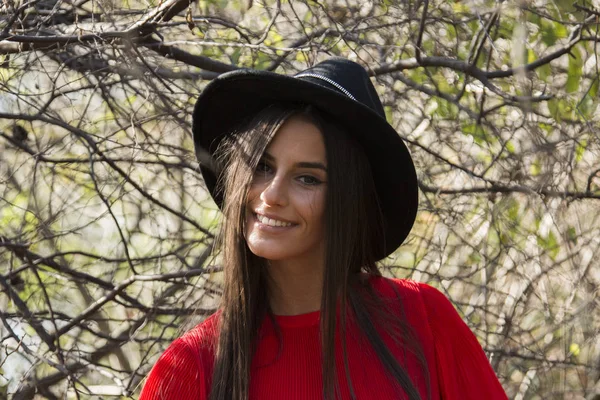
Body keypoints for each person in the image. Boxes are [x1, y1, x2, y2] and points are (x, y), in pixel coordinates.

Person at [139, 58, 508, 400]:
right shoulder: (191, 367)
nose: (272, 195)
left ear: (349, 202)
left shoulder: (422, 322)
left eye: (307, 178)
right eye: (262, 167)